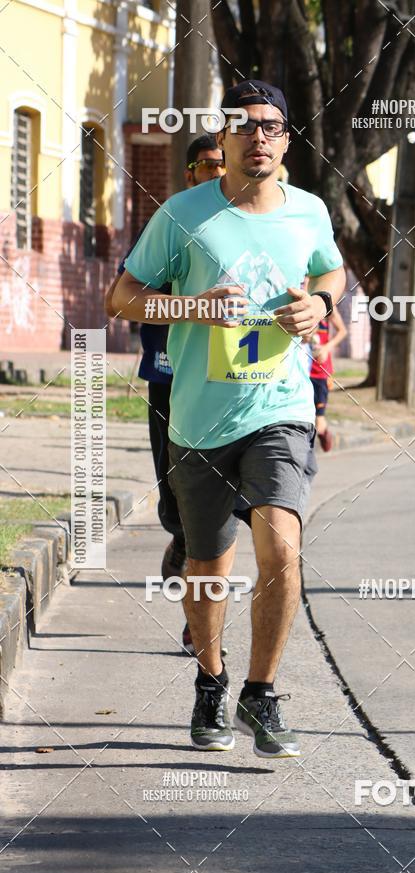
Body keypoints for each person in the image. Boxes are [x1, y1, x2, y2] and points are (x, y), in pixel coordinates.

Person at [111, 80, 346, 758]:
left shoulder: (308, 211)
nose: (259, 136)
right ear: (224, 139)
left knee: (282, 550)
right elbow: (122, 299)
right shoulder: (183, 215)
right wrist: (191, 308)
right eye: (245, 126)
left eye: (271, 125)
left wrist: (321, 306)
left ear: (286, 138)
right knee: (209, 567)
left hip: (282, 410)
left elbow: (331, 274)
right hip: (200, 418)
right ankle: (212, 681)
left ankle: (262, 692)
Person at [105, 136, 226, 654]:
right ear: (189, 172)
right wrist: (189, 307)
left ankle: (197, 624)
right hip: (171, 378)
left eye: (222, 163)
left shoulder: (255, 225)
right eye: (206, 165)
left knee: (227, 509)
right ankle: (180, 536)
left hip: (232, 382)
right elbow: (125, 296)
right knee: (178, 496)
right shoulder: (171, 223)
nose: (216, 171)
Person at [308, 306, 347, 451]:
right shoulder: (301, 300)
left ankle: (323, 434)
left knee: (319, 418)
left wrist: (326, 348)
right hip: (302, 369)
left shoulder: (327, 304)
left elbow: (342, 331)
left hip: (320, 371)